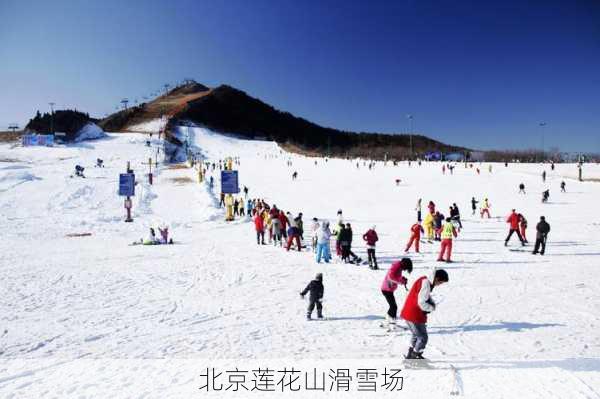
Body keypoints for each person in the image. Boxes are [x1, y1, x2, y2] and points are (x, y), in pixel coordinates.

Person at [401, 269, 449, 359]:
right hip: (414, 315)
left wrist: (431, 303)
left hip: (409, 312)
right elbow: (422, 302)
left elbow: (424, 296)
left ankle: (411, 352)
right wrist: (431, 308)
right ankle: (416, 355)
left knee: (416, 335)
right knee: (423, 337)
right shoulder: (426, 284)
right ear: (437, 279)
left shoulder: (424, 280)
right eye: (440, 282)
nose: (439, 285)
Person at [381, 258, 413, 329]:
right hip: (386, 289)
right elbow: (391, 277)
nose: (405, 270)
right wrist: (401, 281)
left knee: (392, 306)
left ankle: (387, 322)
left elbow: (396, 276)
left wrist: (402, 278)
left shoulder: (398, 266)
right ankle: (393, 324)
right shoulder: (396, 267)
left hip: (388, 289)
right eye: (406, 268)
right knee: (394, 307)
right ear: (404, 265)